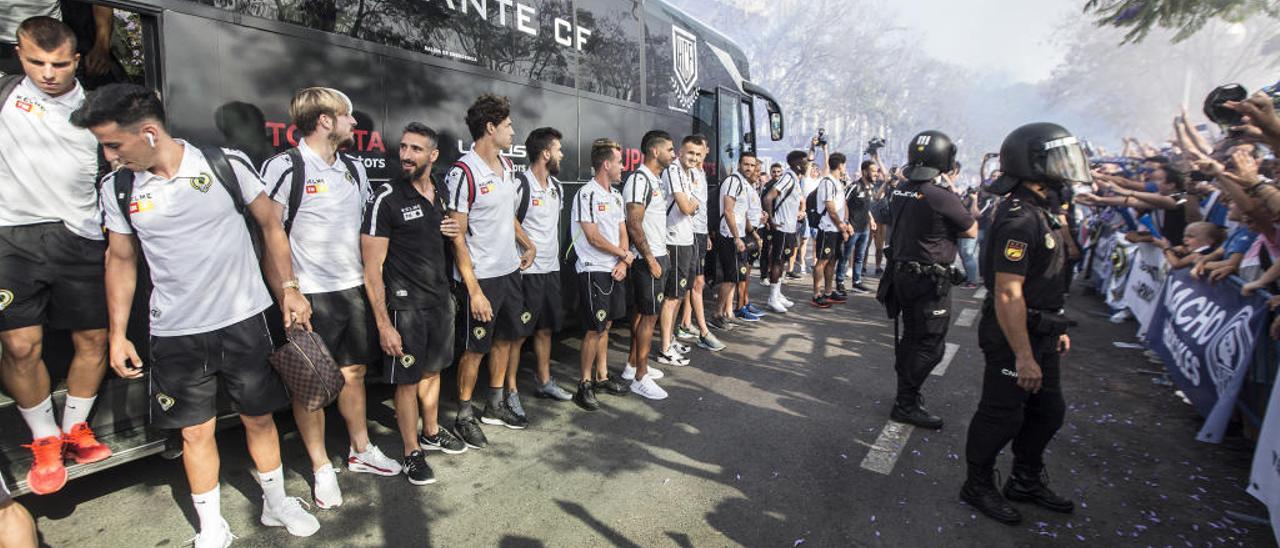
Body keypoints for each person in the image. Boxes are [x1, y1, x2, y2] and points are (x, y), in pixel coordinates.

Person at [78, 83, 320, 545]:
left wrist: (289, 289)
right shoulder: (120, 186)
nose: (110, 157)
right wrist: (116, 334)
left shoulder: (224, 163)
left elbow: (271, 224)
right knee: (194, 433)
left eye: (114, 144)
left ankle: (276, 503)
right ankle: (212, 525)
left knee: (259, 419)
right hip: (176, 335)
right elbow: (121, 261)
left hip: (245, 320)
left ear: (149, 133)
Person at [259, 87, 400, 507]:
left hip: (351, 291)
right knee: (311, 388)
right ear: (325, 120)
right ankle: (322, 469)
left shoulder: (354, 168)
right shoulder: (284, 167)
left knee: (353, 373)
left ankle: (360, 450)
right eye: (347, 116)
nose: (354, 124)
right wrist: (288, 293)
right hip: (306, 298)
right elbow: (269, 237)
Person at [1, 16, 112, 496]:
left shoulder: (96, 108)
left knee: (92, 339)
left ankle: (75, 429)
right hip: (12, 236)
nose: (48, 72)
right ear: (19, 56)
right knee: (20, 346)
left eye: (60, 64)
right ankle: (44, 439)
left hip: (81, 237)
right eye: (36, 62)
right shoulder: (4, 94)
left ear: (77, 60)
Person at [961, 122, 1090, 525]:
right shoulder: (1020, 218)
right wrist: (1023, 355)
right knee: (1002, 414)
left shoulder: (1044, 212)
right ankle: (978, 484)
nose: (1067, 168)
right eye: (1059, 159)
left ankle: (1025, 479)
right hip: (1014, 335)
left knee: (1048, 412)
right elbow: (1008, 293)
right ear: (1034, 165)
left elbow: (1047, 279)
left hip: (1043, 331)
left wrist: (1057, 326)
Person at [362, 122, 468, 486]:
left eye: (416, 149)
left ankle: (432, 431)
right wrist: (383, 324)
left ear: (433, 155)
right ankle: (411, 452)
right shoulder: (386, 198)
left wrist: (454, 231)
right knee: (407, 382)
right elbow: (371, 269)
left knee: (434, 371)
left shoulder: (440, 193)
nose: (405, 155)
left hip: (439, 302)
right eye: (403, 147)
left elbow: (451, 242)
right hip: (404, 309)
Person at [445, 94, 537, 444]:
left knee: (506, 339)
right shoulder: (463, 171)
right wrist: (474, 290)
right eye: (508, 125)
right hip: (480, 278)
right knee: (474, 349)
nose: (513, 131)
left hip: (509, 272)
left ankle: (494, 404)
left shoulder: (508, 167)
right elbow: (457, 237)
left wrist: (527, 242)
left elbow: (506, 216)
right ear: (490, 127)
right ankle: (464, 414)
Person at [879, 130, 976, 430]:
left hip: (903, 275)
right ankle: (905, 403)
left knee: (911, 338)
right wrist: (952, 189)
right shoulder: (940, 196)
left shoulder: (900, 190)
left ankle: (906, 396)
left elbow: (884, 215)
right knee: (930, 345)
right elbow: (971, 230)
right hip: (928, 281)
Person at [508, 126, 575, 410]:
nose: (562, 154)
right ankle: (508, 391)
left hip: (551, 270)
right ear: (546, 153)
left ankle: (544, 381)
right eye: (558, 149)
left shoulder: (557, 187)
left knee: (546, 328)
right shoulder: (519, 183)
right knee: (518, 334)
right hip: (526, 273)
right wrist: (529, 247)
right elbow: (507, 219)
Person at [570, 139, 633, 411]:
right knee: (593, 329)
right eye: (619, 162)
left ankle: (602, 376)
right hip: (592, 269)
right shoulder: (587, 194)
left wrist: (623, 260)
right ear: (606, 164)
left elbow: (623, 231)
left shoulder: (616, 195)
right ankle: (583, 385)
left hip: (614, 269)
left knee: (606, 325)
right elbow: (593, 237)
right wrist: (622, 253)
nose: (623, 167)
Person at [623, 130, 675, 400]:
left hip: (657, 255)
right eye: (669, 148)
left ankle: (633, 367)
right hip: (647, 260)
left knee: (646, 316)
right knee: (648, 317)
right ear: (655, 151)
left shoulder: (655, 180)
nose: (673, 153)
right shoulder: (639, 179)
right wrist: (651, 258)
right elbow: (633, 223)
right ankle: (640, 377)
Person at [676, 137, 727, 351]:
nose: (698, 155)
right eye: (693, 152)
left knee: (693, 283)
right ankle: (702, 331)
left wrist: (705, 233)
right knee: (695, 283)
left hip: (698, 233)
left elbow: (701, 208)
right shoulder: (683, 173)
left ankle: (687, 324)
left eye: (702, 150)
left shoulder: (700, 173)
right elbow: (689, 207)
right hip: (687, 233)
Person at [656, 136, 700, 367]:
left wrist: (692, 204)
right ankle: (664, 349)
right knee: (672, 298)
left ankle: (670, 339)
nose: (693, 157)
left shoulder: (685, 173)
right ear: (680, 153)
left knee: (678, 296)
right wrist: (694, 205)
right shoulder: (673, 170)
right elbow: (686, 206)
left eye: (697, 154)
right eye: (689, 153)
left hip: (685, 239)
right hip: (673, 240)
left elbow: (689, 205)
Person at [761, 151, 807, 313]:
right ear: (797, 164)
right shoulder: (787, 177)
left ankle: (778, 294)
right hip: (781, 227)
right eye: (805, 161)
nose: (808, 164)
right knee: (777, 261)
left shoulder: (794, 178)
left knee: (783, 261)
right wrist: (772, 220)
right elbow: (768, 198)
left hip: (789, 227)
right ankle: (772, 298)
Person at [716, 153, 760, 324]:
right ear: (739, 164)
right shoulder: (733, 181)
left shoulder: (742, 182)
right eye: (746, 164)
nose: (749, 168)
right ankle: (717, 314)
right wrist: (736, 237)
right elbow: (728, 211)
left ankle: (726, 313)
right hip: (728, 235)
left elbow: (742, 214)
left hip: (739, 235)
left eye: (752, 165)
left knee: (735, 277)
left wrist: (752, 234)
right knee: (730, 277)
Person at [812, 153, 853, 306]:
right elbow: (830, 208)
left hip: (837, 229)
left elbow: (844, 205)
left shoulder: (838, 182)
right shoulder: (827, 182)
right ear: (841, 165)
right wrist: (841, 226)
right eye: (845, 165)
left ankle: (828, 292)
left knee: (832, 261)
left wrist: (846, 222)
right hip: (828, 228)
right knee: (822, 261)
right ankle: (816, 294)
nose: (845, 168)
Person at [836, 160, 879, 294]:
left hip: (864, 228)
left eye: (876, 171)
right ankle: (840, 282)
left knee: (860, 257)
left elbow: (867, 207)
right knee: (845, 255)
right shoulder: (854, 186)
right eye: (873, 171)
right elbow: (843, 204)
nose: (876, 174)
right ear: (864, 172)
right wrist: (847, 224)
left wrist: (871, 220)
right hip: (852, 228)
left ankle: (857, 282)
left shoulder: (870, 188)